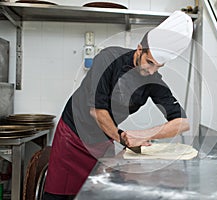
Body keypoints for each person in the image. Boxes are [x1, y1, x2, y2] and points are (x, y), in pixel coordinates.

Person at [43, 11, 193, 200]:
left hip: (104, 139)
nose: (151, 70)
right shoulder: (108, 59)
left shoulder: (153, 80)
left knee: (98, 192)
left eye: (158, 67)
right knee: (60, 194)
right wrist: (123, 138)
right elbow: (97, 111)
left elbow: (182, 123)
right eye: (149, 62)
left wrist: (145, 134)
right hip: (73, 135)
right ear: (139, 49)